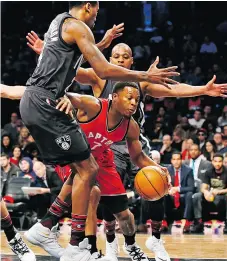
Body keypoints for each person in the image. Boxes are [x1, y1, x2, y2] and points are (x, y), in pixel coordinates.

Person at [1, 40, 227, 261]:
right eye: (115, 57)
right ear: (108, 61)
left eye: (125, 57)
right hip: (86, 149)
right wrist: (48, 56)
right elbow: (65, 75)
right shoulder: (98, 83)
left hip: (118, 148)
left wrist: (202, 89)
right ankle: (82, 243)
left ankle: (140, 241)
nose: (120, 61)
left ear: (132, 62)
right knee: (90, 187)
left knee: (135, 201)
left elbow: (172, 91)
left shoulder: (136, 98)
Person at [1, 2, 179, 261]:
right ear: (89, 5)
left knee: (85, 170)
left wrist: (102, 44)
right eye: (97, 8)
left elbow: (71, 61)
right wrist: (145, 76)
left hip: (37, 99)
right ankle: (76, 244)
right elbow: (102, 70)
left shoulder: (58, 22)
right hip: (47, 102)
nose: (98, 14)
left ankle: (48, 228)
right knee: (88, 171)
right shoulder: (80, 32)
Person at [28, 82, 171, 261]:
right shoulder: (95, 106)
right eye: (129, 98)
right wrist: (65, 97)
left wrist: (159, 169)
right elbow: (75, 97)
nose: (134, 103)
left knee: (125, 216)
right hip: (72, 157)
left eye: (137, 99)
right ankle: (81, 245)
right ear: (115, 97)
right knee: (92, 189)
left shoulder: (130, 126)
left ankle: (131, 245)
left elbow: (138, 157)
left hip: (102, 161)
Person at [191, 154, 227, 234]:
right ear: (212, 162)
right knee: (196, 196)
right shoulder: (208, 172)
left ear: (222, 162)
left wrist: (219, 191)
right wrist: (206, 192)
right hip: (211, 196)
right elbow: (203, 188)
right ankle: (198, 222)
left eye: (219, 161)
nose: (217, 164)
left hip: (223, 196)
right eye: (215, 161)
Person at [166, 152, 194, 233]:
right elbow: (163, 185)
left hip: (183, 194)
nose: (176, 161)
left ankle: (186, 221)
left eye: (178, 159)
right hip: (170, 194)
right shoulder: (167, 170)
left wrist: (177, 189)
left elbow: (191, 187)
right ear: (171, 161)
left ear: (181, 160)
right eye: (174, 159)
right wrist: (169, 190)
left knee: (190, 194)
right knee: (163, 195)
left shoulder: (188, 170)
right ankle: (163, 221)